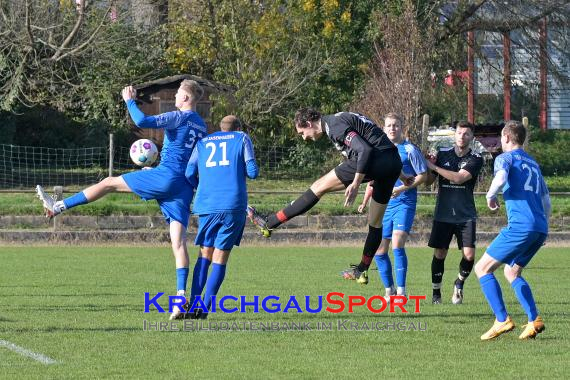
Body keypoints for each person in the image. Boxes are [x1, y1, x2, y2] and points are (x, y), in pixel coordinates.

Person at [36, 80, 207, 320]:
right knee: (178, 243)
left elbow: (142, 122)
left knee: (108, 182)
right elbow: (193, 158)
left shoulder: (178, 117)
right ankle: (180, 299)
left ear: (187, 98)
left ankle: (58, 206)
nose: (176, 97)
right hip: (183, 186)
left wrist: (129, 100)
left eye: (178, 93)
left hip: (166, 177)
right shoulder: (201, 125)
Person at [248, 108, 412, 284]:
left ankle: (270, 222)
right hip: (392, 164)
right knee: (375, 223)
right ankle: (362, 269)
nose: (304, 137)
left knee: (318, 187)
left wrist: (356, 183)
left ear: (309, 123)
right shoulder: (339, 120)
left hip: (373, 161)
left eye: (302, 132)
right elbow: (381, 144)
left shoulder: (333, 125)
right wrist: (402, 176)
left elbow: (364, 150)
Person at [474, 121, 550, 340]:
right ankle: (533, 320)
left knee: (482, 268)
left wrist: (490, 195)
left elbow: (500, 177)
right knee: (512, 271)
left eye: (500, 137)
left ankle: (502, 320)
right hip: (540, 227)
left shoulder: (504, 158)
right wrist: (540, 226)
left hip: (520, 227)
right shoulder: (534, 164)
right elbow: (547, 202)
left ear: (506, 137)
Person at [185, 115, 258, 319]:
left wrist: (202, 186)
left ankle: (193, 305)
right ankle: (204, 310)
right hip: (233, 204)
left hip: (207, 204)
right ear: (239, 127)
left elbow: (189, 172)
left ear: (219, 127)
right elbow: (252, 171)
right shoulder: (242, 138)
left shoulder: (202, 142)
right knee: (220, 256)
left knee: (204, 254)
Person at [358, 113, 427, 298]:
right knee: (379, 251)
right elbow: (373, 178)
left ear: (401, 126)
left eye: (395, 125)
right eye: (389, 125)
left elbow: (423, 175)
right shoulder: (379, 150)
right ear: (384, 128)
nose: (392, 128)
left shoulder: (410, 150)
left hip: (404, 202)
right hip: (384, 205)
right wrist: (365, 200)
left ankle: (402, 293)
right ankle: (389, 291)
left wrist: (402, 188)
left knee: (397, 243)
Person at [424, 121, 483, 304]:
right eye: (459, 132)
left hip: (465, 215)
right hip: (443, 213)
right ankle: (436, 293)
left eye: (466, 134)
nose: (462, 136)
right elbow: (428, 182)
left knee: (469, 255)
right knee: (440, 253)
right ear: (454, 134)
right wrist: (429, 166)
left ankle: (459, 283)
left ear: (471, 137)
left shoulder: (476, 158)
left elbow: (458, 178)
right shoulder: (442, 154)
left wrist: (434, 167)